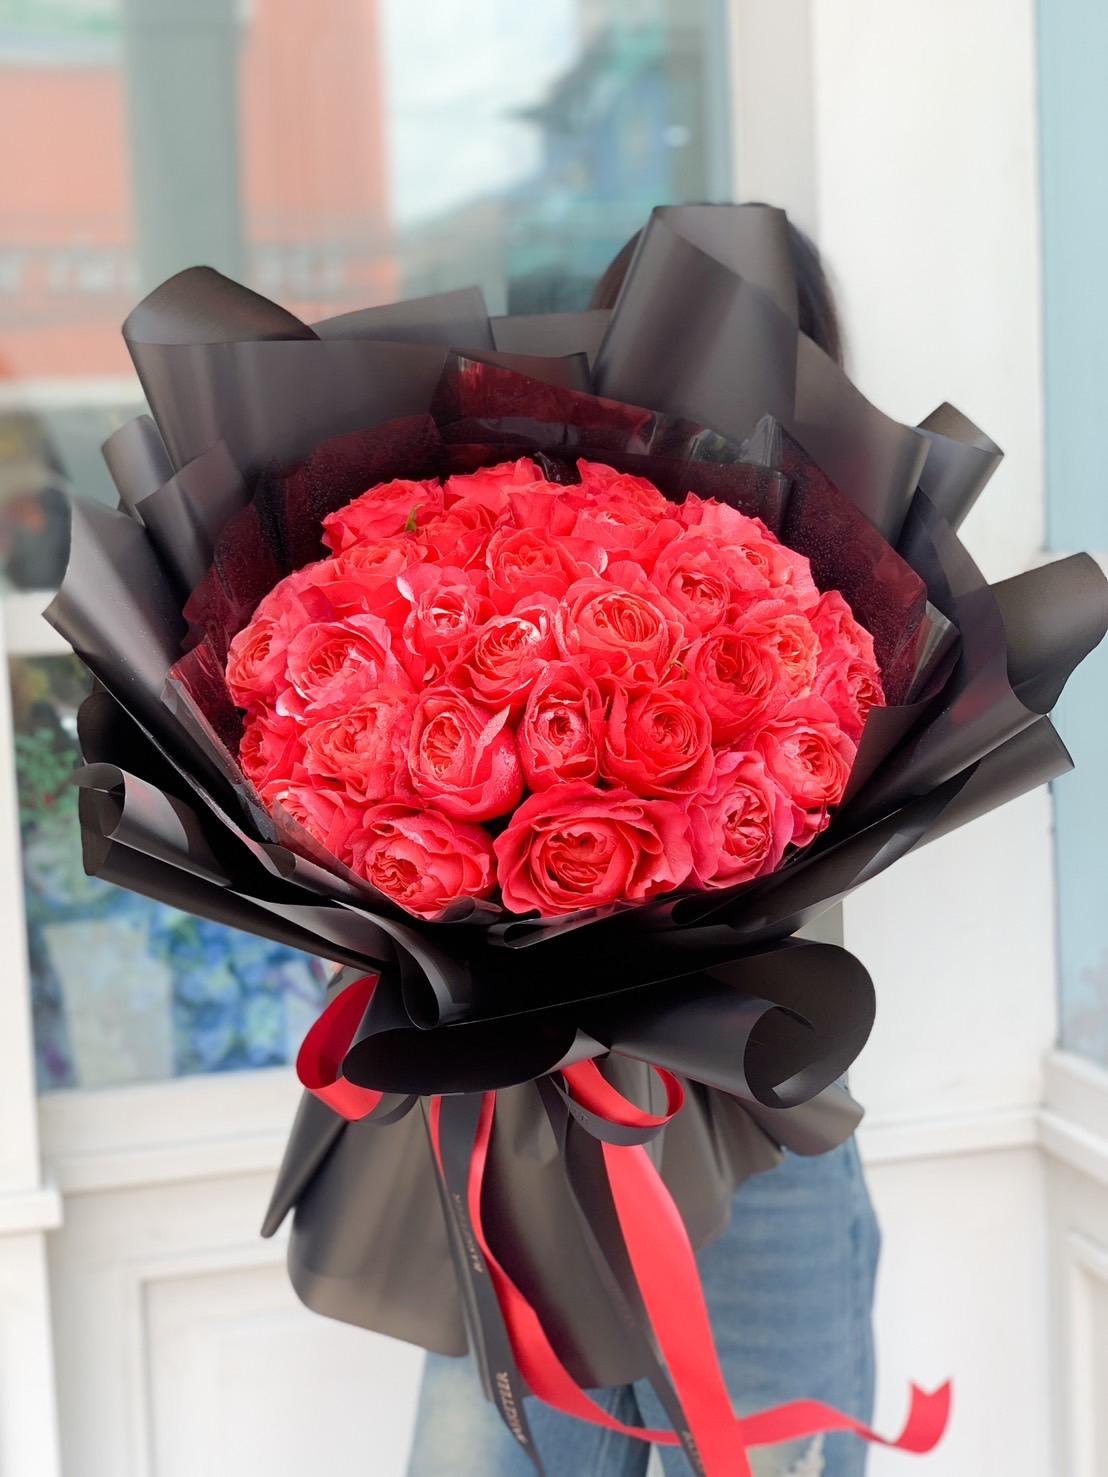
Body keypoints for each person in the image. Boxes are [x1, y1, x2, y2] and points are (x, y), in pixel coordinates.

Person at [406, 213, 879, 1477]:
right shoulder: (513, 542)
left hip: (753, 1129)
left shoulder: (858, 571)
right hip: (534, 1132)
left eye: (759, 339)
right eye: (680, 322)